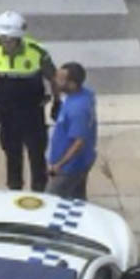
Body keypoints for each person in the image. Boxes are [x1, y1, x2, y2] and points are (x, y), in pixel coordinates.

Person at [0, 11, 59, 193]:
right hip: (7, 113)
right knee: (12, 155)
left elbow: (53, 78)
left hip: (32, 113)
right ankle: (14, 190)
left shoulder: (37, 53)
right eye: (2, 38)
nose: (5, 42)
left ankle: (39, 191)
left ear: (19, 37)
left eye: (9, 39)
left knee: (36, 155)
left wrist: (57, 102)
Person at [46, 62, 98, 201]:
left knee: (51, 200)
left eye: (60, 79)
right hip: (82, 161)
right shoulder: (85, 95)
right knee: (77, 198)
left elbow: (78, 142)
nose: (55, 81)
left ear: (72, 84)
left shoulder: (77, 110)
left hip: (70, 167)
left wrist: (59, 165)